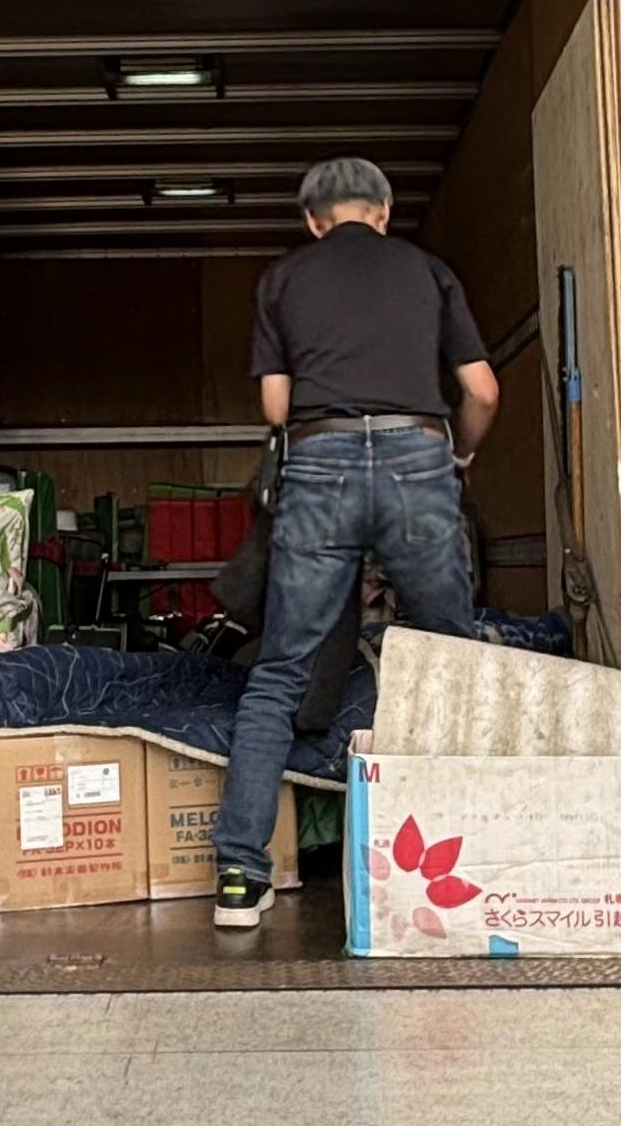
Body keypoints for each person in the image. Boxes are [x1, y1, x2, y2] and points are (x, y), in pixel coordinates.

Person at [212, 156, 499, 928]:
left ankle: (239, 877)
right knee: (453, 654)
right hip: (417, 455)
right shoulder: (428, 271)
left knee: (279, 671)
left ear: (313, 220)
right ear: (383, 209)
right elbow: (481, 390)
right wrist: (457, 456)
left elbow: (276, 407)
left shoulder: (282, 279)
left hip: (320, 459)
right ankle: (476, 848)